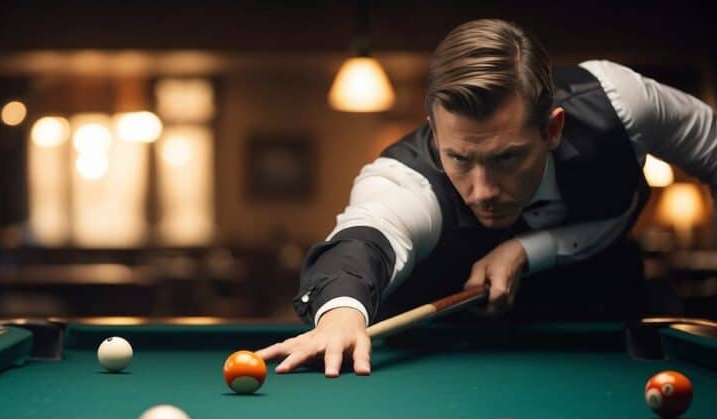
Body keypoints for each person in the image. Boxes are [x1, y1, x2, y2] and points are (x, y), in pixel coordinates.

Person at [257, 19, 717, 377]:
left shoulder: (621, 104)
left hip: (609, 331)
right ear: (435, 134)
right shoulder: (404, 179)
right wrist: (341, 311)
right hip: (438, 364)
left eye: (507, 158)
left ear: (552, 129)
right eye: (459, 158)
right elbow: (367, 235)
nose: (483, 191)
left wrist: (526, 251)